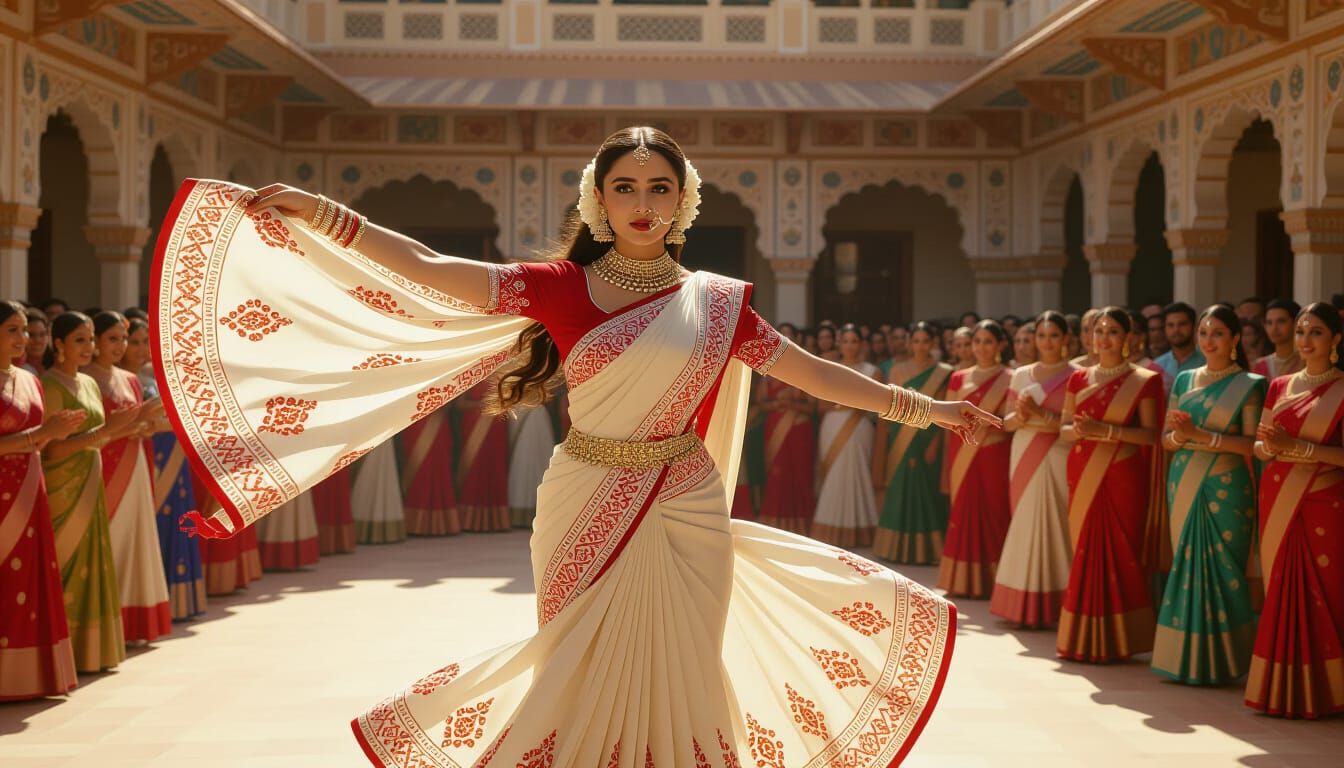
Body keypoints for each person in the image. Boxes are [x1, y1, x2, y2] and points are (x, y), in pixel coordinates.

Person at [167, 127, 999, 765]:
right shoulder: (560, 287)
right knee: (575, 657)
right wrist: (328, 216)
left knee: (684, 660)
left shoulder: (717, 305)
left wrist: (926, 411)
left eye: (660, 187)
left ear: (685, 201)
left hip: (684, 502)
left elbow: (814, 374)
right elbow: (428, 264)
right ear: (599, 199)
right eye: (625, 186)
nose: (644, 201)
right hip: (582, 496)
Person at [1153, 305, 1264, 685]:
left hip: (1227, 486)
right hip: (1183, 480)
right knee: (1186, 564)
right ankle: (1182, 658)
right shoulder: (1184, 381)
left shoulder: (1250, 384)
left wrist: (1204, 438)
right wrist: (1180, 437)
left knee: (1226, 569)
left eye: (1218, 333)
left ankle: (1226, 661)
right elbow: (1168, 441)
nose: (1209, 340)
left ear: (1235, 339)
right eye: (1205, 333)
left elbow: (1252, 446)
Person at [1245, 303, 1344, 719]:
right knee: (1281, 588)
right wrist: (1271, 447)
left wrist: (1298, 449)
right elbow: (1260, 445)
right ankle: (1278, 686)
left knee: (1328, 591)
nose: (1305, 339)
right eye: (1301, 331)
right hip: (1279, 494)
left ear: (1336, 340)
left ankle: (1329, 690)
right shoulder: (1278, 385)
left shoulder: (1341, 389)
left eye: (1316, 332)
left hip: (1324, 500)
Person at [1057, 307, 1161, 663]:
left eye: (1113, 331)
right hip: (1083, 470)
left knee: (1122, 551)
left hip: (1123, 475)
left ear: (1129, 337)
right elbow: (1065, 429)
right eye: (1099, 331)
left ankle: (1122, 639)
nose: (1104, 338)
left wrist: (1109, 432)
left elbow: (1150, 436)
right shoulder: (1078, 379)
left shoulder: (1145, 380)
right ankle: (1081, 638)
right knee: (1085, 550)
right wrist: (1085, 431)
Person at [41, 313, 140, 671]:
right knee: (66, 565)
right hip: (62, 487)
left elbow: (102, 435)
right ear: (59, 345)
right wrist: (105, 432)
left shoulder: (89, 384)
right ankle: (61, 656)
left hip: (90, 480)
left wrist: (134, 422)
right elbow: (51, 449)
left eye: (90, 340)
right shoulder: (49, 385)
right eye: (79, 340)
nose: (89, 347)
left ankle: (91, 652)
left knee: (92, 563)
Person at [0, 301, 84, 700]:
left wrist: (56, 432)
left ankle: (29, 675)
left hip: (31, 488)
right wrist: (41, 435)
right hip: (3, 496)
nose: (24, 339)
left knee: (30, 577)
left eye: (26, 331)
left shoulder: (30, 379)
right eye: (13, 330)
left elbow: (41, 437)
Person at [82, 312, 171, 644]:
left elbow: (140, 427)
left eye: (123, 339)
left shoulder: (131, 380)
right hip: (104, 464)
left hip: (135, 462)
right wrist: (138, 422)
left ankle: (134, 624)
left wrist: (144, 424)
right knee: (111, 537)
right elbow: (94, 428)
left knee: (136, 534)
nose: (119, 346)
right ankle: (104, 621)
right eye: (113, 339)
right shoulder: (85, 378)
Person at [991, 312, 1077, 627]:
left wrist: (1040, 414)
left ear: (1066, 338)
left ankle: (1060, 602)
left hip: (1057, 453)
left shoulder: (1078, 375)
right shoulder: (1021, 375)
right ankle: (1020, 604)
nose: (1047, 342)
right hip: (1025, 447)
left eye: (1054, 335)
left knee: (1057, 521)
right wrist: (1025, 416)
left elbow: (1072, 426)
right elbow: (1007, 421)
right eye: (1042, 335)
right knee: (1025, 521)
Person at [119, 318, 207, 620]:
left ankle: (175, 600)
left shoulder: (154, 377)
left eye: (146, 341)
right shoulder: (121, 382)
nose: (141, 349)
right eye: (134, 342)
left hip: (173, 455)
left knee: (176, 517)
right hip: (146, 455)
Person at [938, 320, 1013, 599]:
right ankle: (961, 581)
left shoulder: (1011, 377)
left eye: (988, 342)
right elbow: (948, 420)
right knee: (963, 512)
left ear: (1001, 345)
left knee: (995, 512)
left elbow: (1010, 421)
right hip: (962, 452)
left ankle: (996, 581)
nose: (981, 348)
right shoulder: (958, 377)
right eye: (977, 341)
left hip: (995, 454)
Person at [872, 322, 952, 564]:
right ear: (909, 343)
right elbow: (890, 404)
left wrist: (934, 443)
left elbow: (943, 412)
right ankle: (894, 549)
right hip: (899, 436)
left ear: (932, 343)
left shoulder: (943, 372)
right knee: (899, 487)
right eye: (915, 341)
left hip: (926, 437)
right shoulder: (897, 369)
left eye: (924, 341)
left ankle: (927, 550)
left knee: (924, 490)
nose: (919, 346)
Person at [811, 325, 882, 547]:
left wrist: (845, 400)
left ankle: (861, 530)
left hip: (859, 425)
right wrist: (850, 400)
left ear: (861, 345)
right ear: (839, 344)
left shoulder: (873, 371)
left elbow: (876, 404)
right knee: (834, 474)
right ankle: (828, 530)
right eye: (846, 341)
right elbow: (822, 405)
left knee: (857, 471)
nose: (850, 345)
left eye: (854, 341)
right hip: (833, 424)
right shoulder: (829, 368)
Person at [755, 356, 816, 536]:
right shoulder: (768, 377)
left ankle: (802, 525)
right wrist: (777, 404)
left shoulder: (804, 375)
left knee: (800, 474)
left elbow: (812, 407)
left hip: (799, 430)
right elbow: (761, 403)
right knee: (777, 475)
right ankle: (774, 524)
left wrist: (791, 405)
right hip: (776, 428)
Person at [455, 378, 511, 532]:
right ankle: (470, 521)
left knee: (496, 468)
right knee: (475, 469)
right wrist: (480, 405)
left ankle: (497, 521)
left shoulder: (502, 377)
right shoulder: (471, 377)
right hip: (474, 426)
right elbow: (459, 404)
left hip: (496, 427)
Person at [400, 401, 460, 536]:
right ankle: (414, 523)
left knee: (440, 469)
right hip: (415, 421)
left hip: (438, 421)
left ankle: (444, 522)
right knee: (419, 471)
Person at [1154, 302, 1205, 394]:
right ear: (1165, 329)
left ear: (1194, 327)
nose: (1176, 330)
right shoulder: (1157, 366)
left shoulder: (1207, 362)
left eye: (1182, 324)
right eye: (1170, 325)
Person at [1252, 298, 1304, 380]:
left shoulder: (1305, 362)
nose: (1274, 328)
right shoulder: (1260, 365)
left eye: (1281, 321)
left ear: (1296, 323)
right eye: (1269, 323)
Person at [22, 307, 49, 376]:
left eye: (42, 334)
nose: (37, 340)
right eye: (31, 335)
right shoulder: (12, 369)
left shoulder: (59, 365)